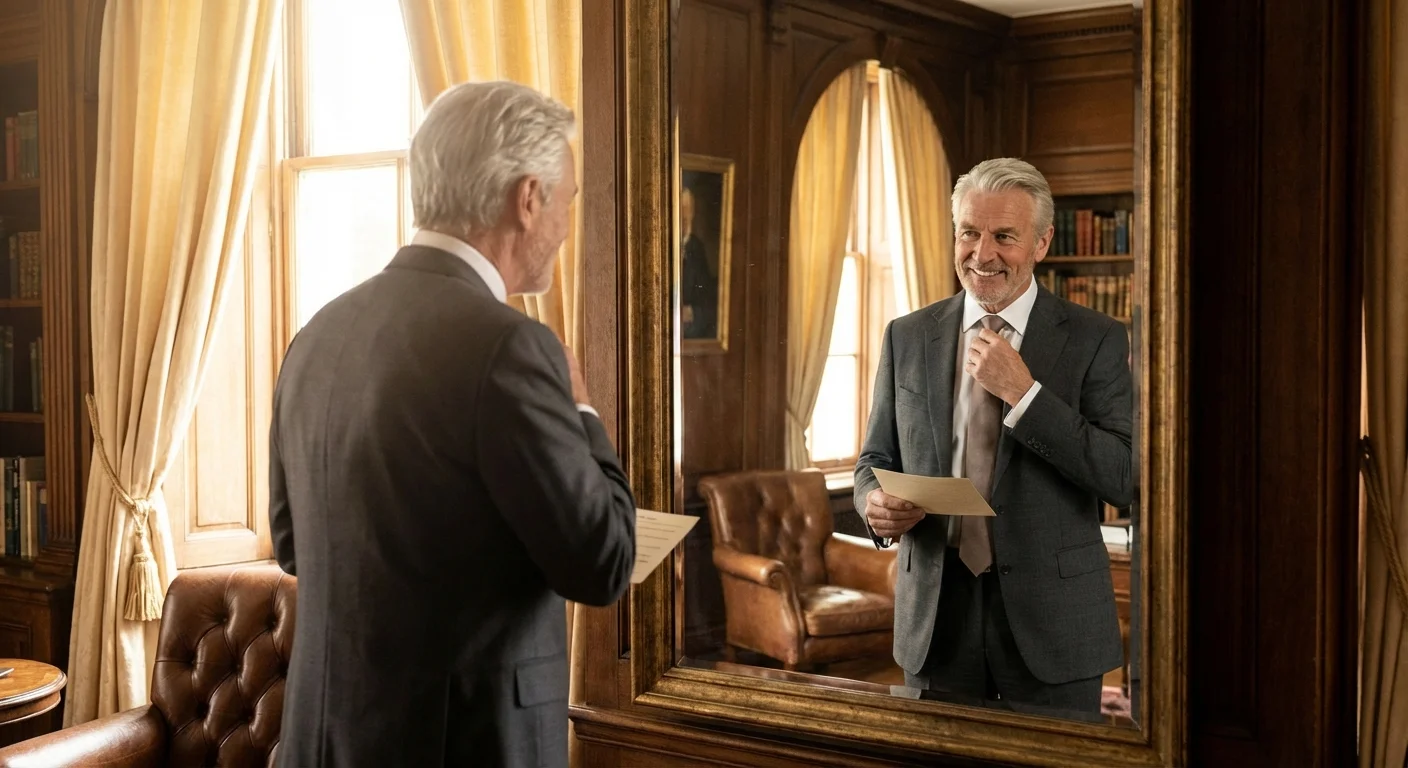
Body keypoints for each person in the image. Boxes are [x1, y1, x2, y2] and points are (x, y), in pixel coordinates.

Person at [268, 80, 637, 768]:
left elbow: (294, 546)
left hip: (321, 743)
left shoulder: (315, 336)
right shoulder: (511, 347)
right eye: (568, 201)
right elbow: (604, 563)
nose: (566, 225)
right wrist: (583, 408)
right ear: (528, 199)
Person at [853, 157, 1131, 714]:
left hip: (1053, 622)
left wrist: (1026, 397)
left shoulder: (1096, 337)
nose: (982, 255)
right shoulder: (907, 335)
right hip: (936, 620)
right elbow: (874, 459)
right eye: (968, 233)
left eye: (1004, 236)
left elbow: (1122, 475)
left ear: (1042, 242)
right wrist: (872, 503)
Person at [679, 186, 718, 338]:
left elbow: (707, 303)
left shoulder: (696, 248)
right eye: (681, 208)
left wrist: (691, 312)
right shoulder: (658, 245)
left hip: (690, 334)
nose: (684, 215)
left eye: (688, 209)